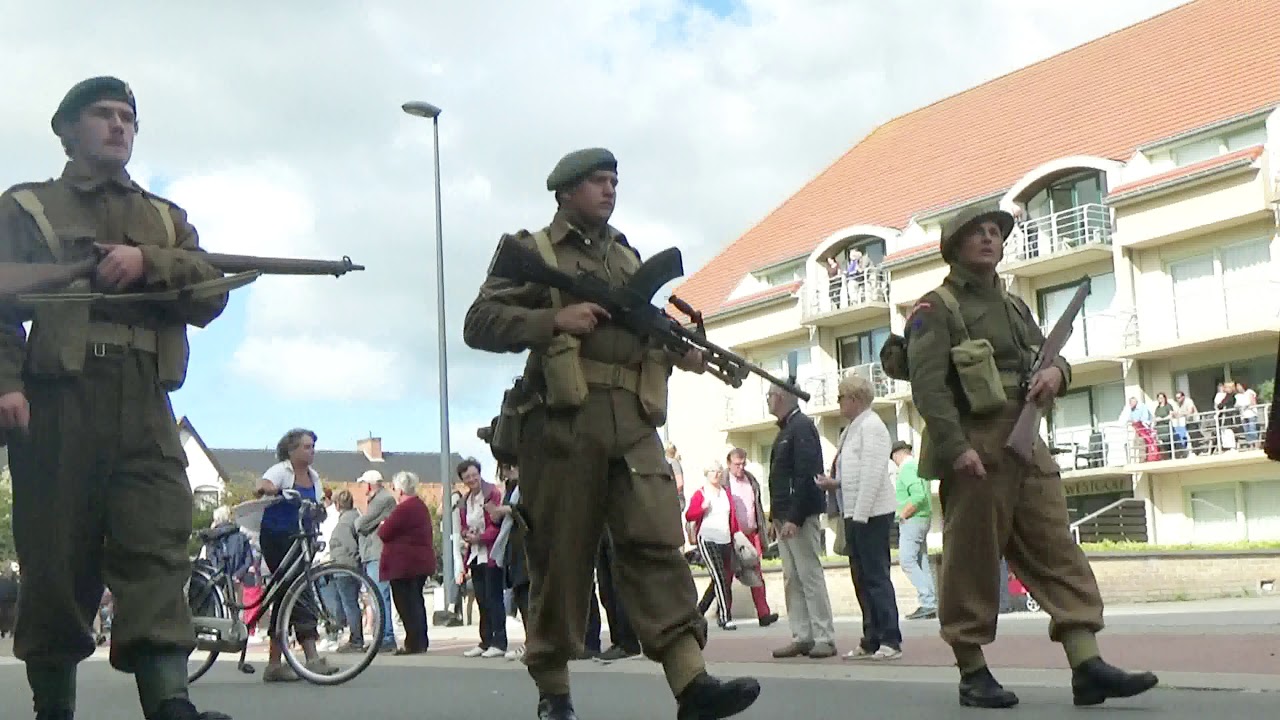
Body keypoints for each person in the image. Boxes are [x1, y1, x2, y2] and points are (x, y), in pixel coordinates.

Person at [463, 147, 760, 720]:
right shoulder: (533, 252)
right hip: (563, 428)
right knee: (557, 558)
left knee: (655, 548)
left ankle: (691, 683)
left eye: (615, 181)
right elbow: (479, 323)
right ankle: (554, 693)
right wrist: (552, 320)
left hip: (632, 427)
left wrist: (679, 353)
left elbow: (638, 333)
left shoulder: (626, 258)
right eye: (598, 181)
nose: (609, 190)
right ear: (566, 191)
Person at [0, 76, 235, 720]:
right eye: (103, 115)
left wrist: (147, 263)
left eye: (128, 117)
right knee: (54, 559)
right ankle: (54, 708)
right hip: (57, 400)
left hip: (144, 401)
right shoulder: (27, 206)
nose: (119, 126)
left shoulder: (162, 218)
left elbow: (210, 291)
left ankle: (169, 703)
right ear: (67, 129)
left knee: (157, 547)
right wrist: (6, 382)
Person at [904, 206, 1159, 709]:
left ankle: (1087, 665)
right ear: (954, 244)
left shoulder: (1016, 306)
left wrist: (1058, 375)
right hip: (976, 446)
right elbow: (929, 389)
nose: (989, 238)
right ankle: (973, 673)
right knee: (971, 562)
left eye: (995, 232)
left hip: (1026, 443)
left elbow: (1049, 353)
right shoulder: (935, 309)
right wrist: (955, 450)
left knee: (1057, 550)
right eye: (978, 231)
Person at [255, 428, 340, 682]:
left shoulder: (314, 477)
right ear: (291, 450)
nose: (311, 451)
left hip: (303, 541)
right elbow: (261, 484)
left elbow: (316, 508)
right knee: (296, 593)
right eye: (306, 447)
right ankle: (311, 659)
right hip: (278, 539)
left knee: (291, 595)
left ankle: (275, 664)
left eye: (313, 447)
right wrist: (269, 488)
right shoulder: (282, 470)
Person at [377, 471, 436, 655]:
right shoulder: (419, 506)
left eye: (394, 488)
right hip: (418, 562)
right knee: (416, 602)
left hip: (405, 565)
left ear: (401, 490)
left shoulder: (404, 508)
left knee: (406, 604)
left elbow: (385, 532)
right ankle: (420, 641)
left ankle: (413, 643)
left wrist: (382, 524)